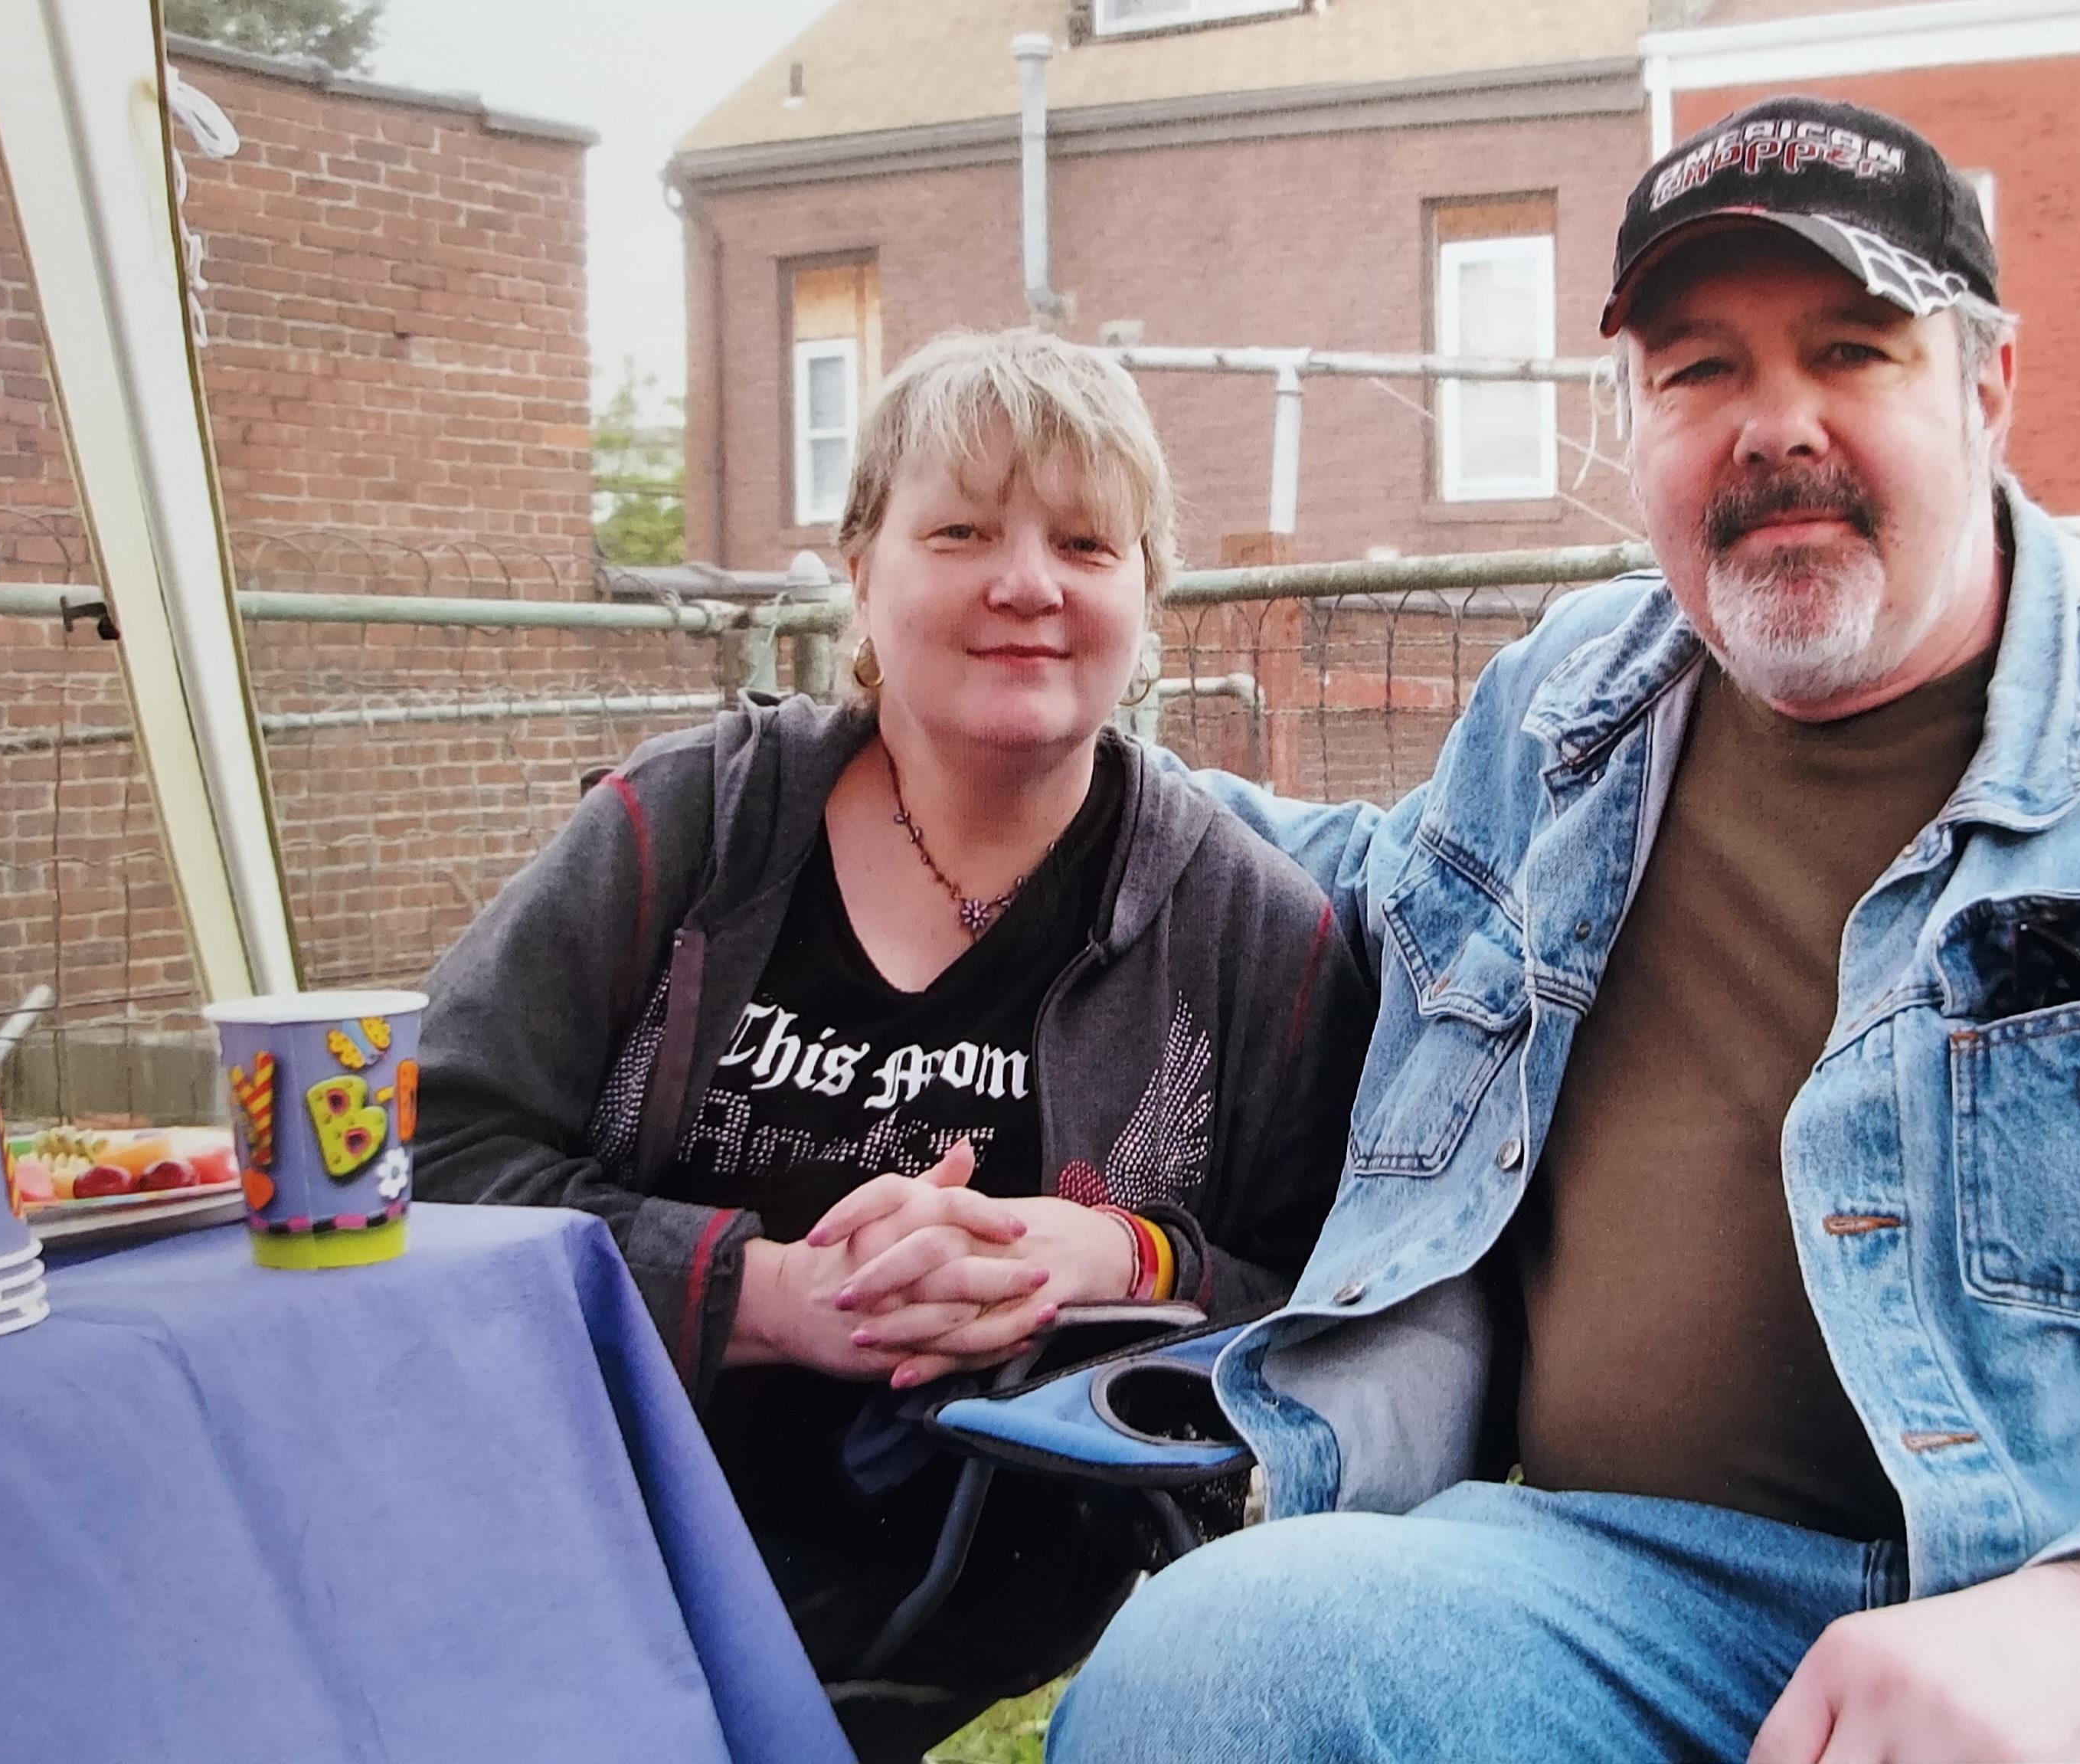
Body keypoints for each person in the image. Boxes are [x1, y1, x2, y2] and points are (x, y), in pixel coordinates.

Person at [1050, 97, 2080, 1762]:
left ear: (1988, 388)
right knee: (1220, 1668)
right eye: (1699, 371)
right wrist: (1016, 742)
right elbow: (1364, 883)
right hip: (1633, 1608)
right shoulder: (1557, 715)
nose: (1772, 426)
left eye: (1850, 351)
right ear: (1635, 421)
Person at [412, 329, 1369, 1761]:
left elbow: (1344, 1298)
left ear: (1146, 593)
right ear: (860, 568)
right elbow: (429, 1145)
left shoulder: (1252, 930)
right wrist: (766, 1293)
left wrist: (1119, 1260)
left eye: (1086, 543)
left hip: (980, 1567)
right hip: (588, 1503)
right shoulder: (686, 831)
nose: (1027, 583)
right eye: (962, 530)